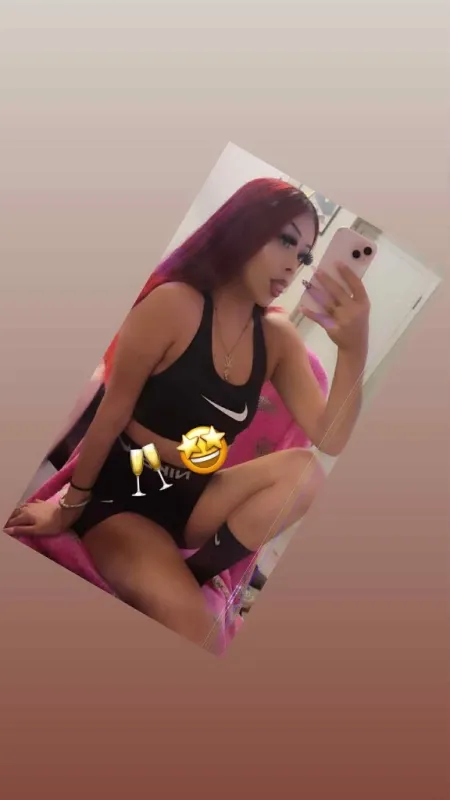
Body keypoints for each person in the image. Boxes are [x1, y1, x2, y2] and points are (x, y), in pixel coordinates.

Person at [5, 178, 370, 652]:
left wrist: (354, 352)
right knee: (199, 633)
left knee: (306, 472)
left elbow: (331, 437)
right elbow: (111, 414)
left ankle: (193, 572)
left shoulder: (277, 338)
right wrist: (67, 507)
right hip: (128, 497)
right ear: (244, 227)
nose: (292, 264)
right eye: (285, 240)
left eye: (303, 255)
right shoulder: (174, 304)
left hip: (195, 497)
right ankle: (169, 577)